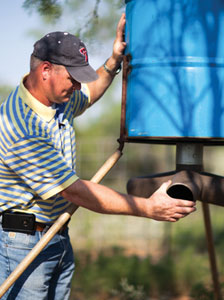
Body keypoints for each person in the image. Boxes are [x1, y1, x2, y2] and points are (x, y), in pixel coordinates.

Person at [0, 14, 196, 300]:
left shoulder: (57, 101)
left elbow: (90, 92)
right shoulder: (20, 126)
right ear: (45, 70)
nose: (78, 87)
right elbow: (76, 192)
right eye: (73, 79)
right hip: (24, 244)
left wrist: (114, 61)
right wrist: (149, 208)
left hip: (56, 233)